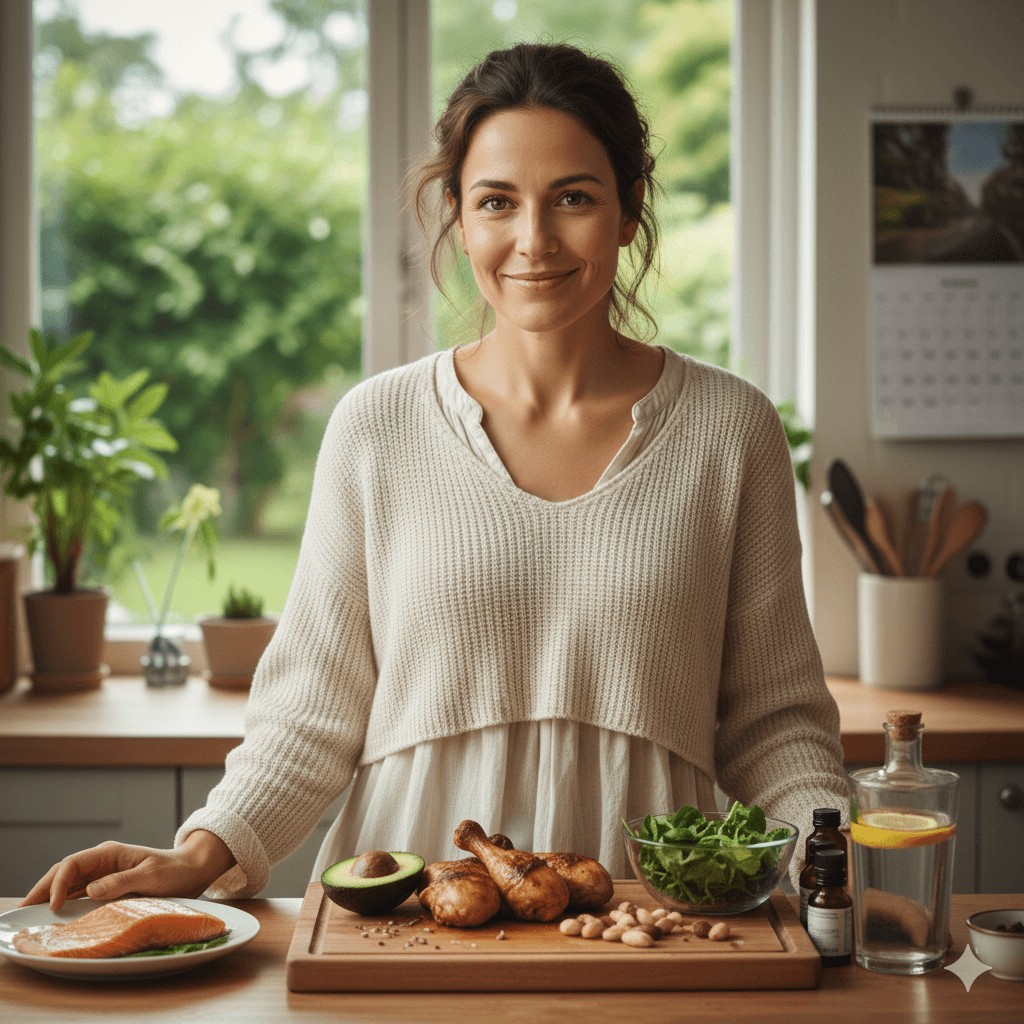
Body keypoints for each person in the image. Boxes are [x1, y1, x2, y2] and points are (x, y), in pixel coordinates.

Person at [22, 42, 849, 912]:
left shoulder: (731, 430)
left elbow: (774, 722)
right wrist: (201, 852)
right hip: (414, 914)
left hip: (652, 923)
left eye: (573, 197)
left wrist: (831, 872)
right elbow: (313, 708)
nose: (534, 240)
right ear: (458, 214)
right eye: (498, 202)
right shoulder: (376, 429)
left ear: (629, 210)